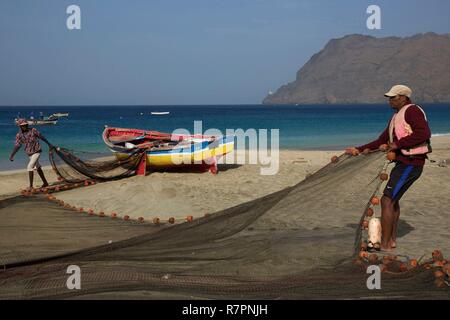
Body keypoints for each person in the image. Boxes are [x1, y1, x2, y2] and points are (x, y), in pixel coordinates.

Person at [346, 85, 432, 251]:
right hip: (403, 163)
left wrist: (397, 144)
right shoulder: (396, 117)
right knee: (393, 200)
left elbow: (424, 133)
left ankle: (384, 244)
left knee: (387, 200)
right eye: (389, 97)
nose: (390, 100)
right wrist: (358, 148)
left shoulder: (412, 111)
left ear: (404, 97)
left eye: (393, 97)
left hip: (411, 163)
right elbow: (382, 140)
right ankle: (391, 241)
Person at [9, 119, 53, 191]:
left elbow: (41, 137)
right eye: (23, 125)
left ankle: (31, 186)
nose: (24, 126)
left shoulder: (33, 130)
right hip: (29, 153)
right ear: (20, 126)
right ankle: (45, 183)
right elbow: (17, 146)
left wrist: (49, 144)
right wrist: (12, 155)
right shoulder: (19, 135)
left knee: (30, 166)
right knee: (37, 167)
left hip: (37, 151)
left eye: (26, 125)